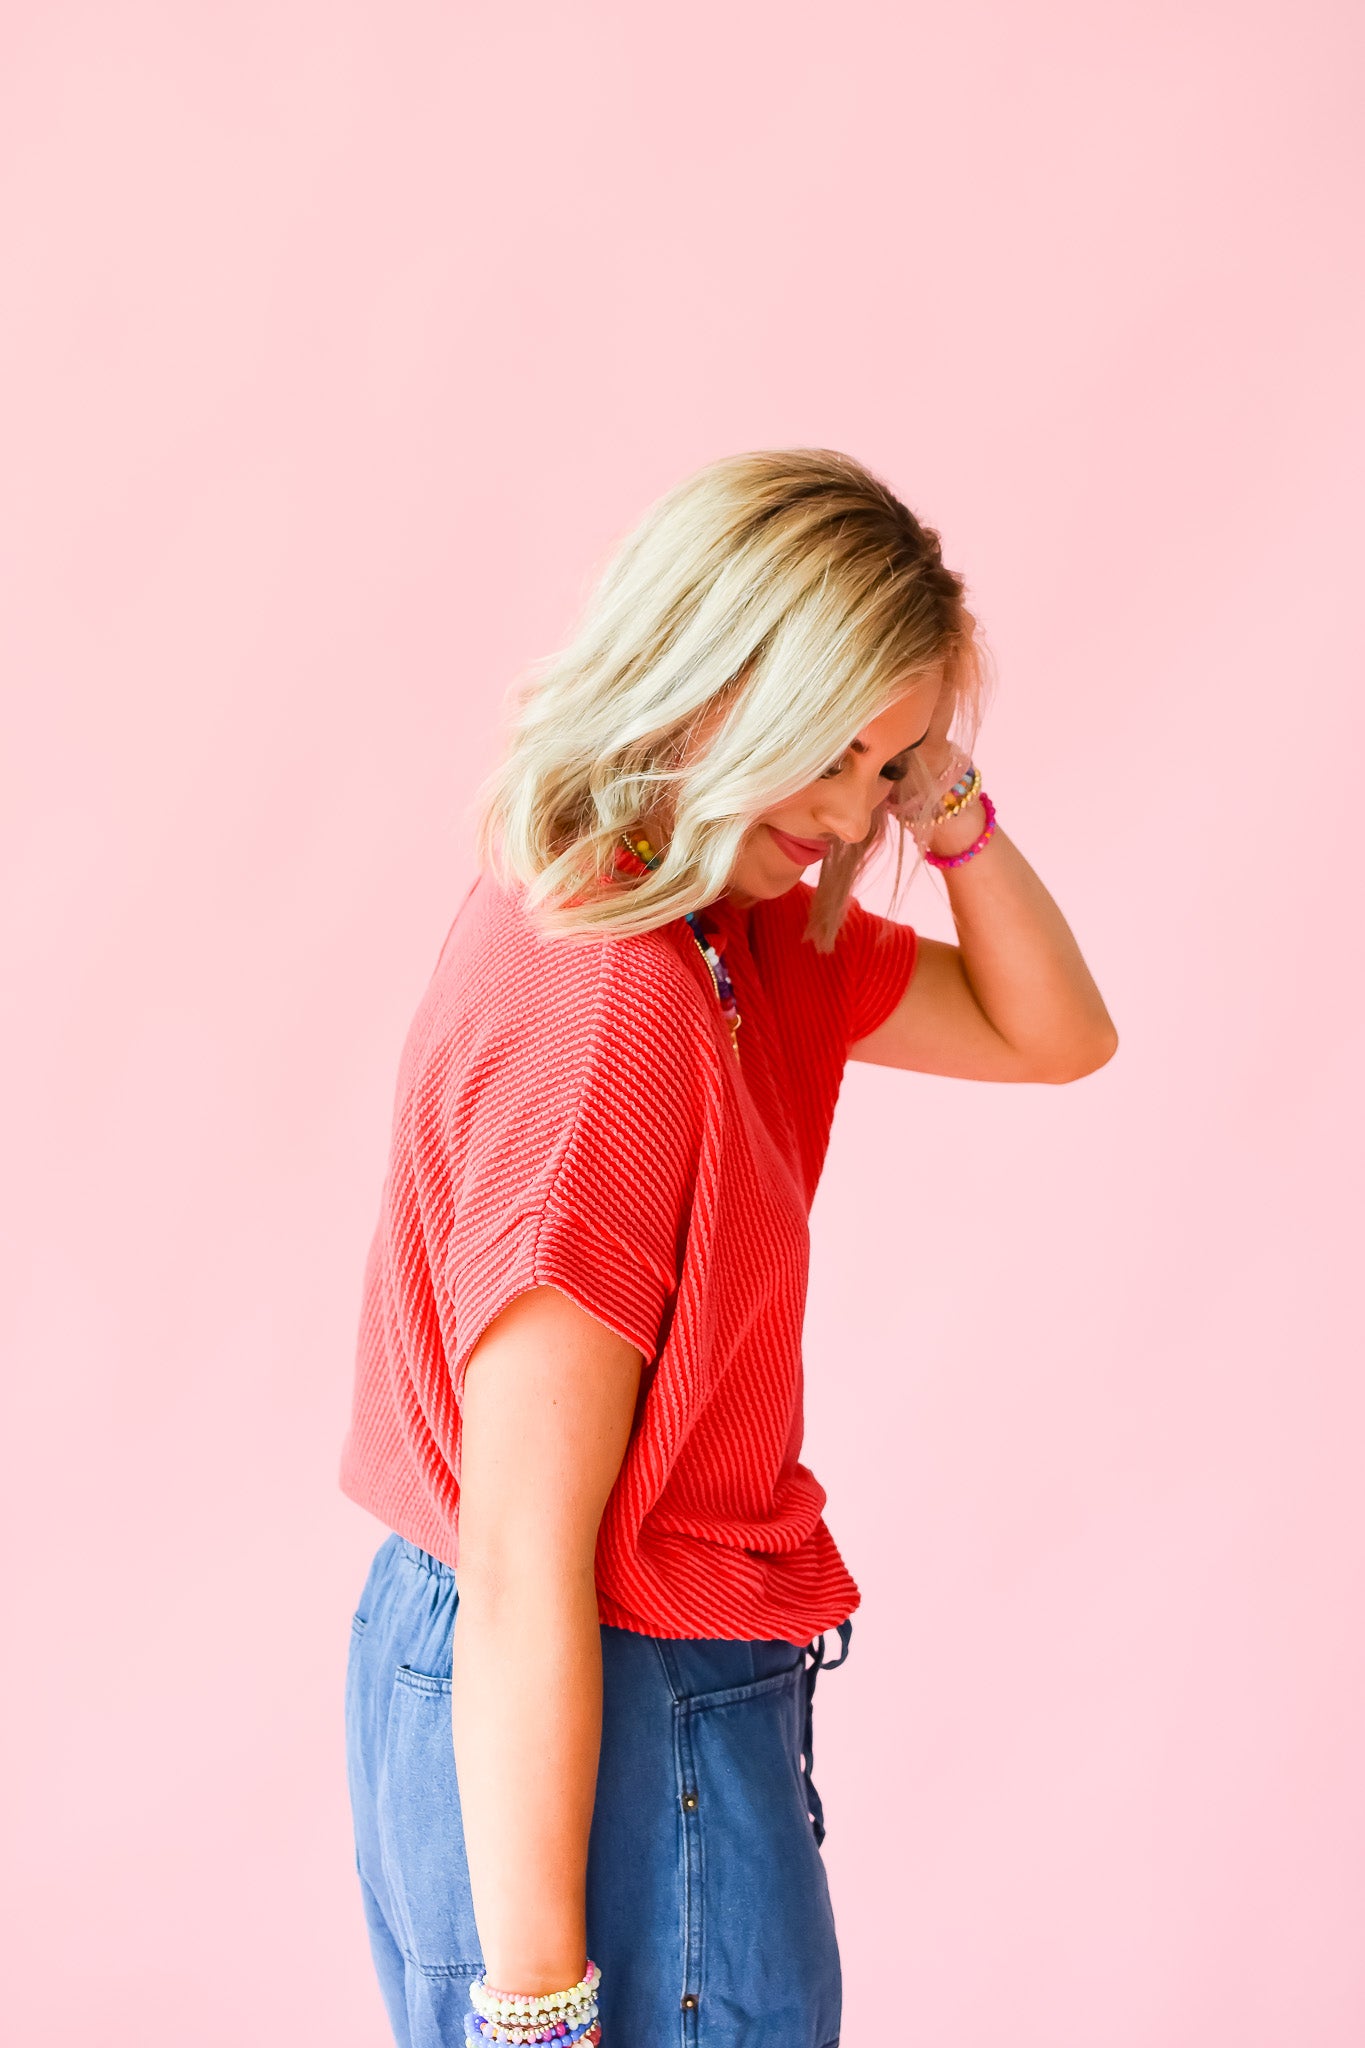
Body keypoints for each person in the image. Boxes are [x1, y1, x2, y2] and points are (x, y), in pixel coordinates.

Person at [338, 447, 1118, 2048]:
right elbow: (517, 1562)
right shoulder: (609, 1012)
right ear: (707, 682)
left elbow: (1054, 1034)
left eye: (882, 769)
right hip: (595, 1691)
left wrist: (944, 802)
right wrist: (539, 2009)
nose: (851, 818)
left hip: (619, 1680)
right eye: (827, 753)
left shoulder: (725, 920)